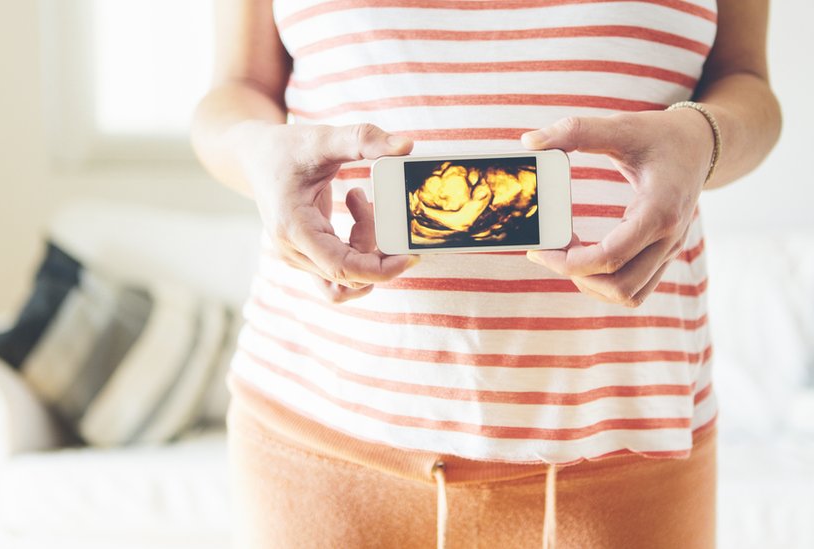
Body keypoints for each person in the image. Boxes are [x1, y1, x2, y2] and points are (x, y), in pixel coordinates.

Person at [192, 0, 781, 547]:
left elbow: (748, 85)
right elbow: (236, 91)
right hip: (320, 433)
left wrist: (704, 137)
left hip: (625, 441)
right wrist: (256, 151)